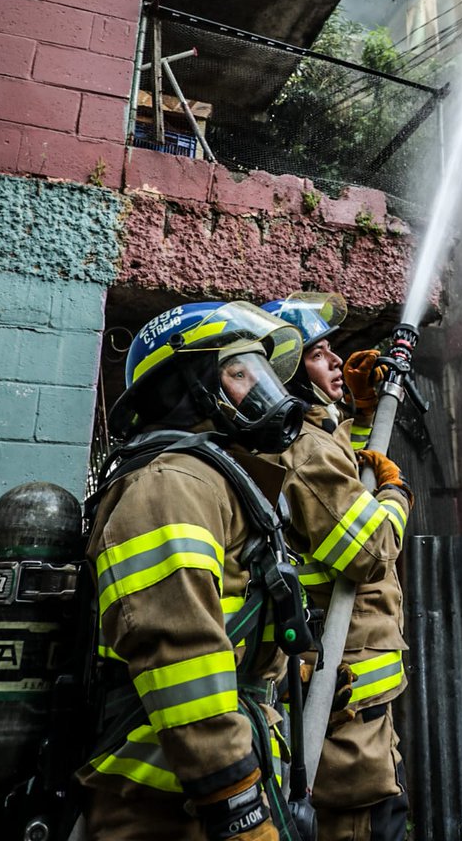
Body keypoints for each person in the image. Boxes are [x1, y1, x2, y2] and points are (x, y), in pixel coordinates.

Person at [77, 300, 311, 841]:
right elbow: (179, 654)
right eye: (239, 373)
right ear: (187, 387)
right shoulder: (170, 484)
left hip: (197, 793)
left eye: (260, 374)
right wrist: (235, 803)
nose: (263, 391)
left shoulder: (211, 480)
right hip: (167, 806)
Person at [262, 292, 412, 841]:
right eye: (318, 354)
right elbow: (369, 549)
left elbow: (347, 480)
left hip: (351, 694)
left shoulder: (311, 437)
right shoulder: (305, 447)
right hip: (343, 699)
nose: (335, 361)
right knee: (358, 823)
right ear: (286, 371)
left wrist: (364, 414)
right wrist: (396, 493)